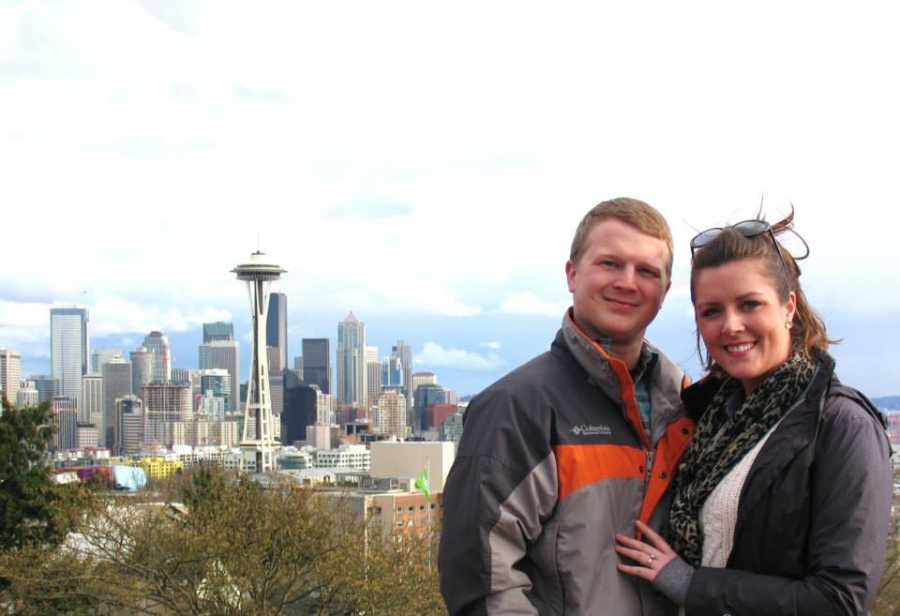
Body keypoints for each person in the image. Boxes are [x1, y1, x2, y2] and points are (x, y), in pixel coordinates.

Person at [615, 210, 892, 615]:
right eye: (712, 311)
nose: (731, 326)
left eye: (749, 304)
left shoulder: (840, 425)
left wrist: (690, 584)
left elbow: (840, 600)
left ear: (788, 306)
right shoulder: (709, 419)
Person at [439, 197, 695, 615]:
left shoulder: (686, 405)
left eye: (646, 271)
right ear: (572, 274)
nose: (627, 282)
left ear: (664, 292)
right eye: (610, 263)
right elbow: (482, 582)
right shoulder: (516, 407)